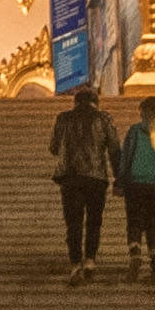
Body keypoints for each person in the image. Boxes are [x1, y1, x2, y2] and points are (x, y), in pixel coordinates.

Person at [48, 80, 115, 279]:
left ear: (75, 102)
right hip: (96, 177)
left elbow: (53, 148)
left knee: (73, 222)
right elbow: (114, 148)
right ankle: (90, 261)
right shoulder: (104, 118)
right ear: (96, 102)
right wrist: (119, 176)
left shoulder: (63, 118)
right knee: (94, 221)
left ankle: (75, 263)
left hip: (70, 178)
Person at [117, 101, 155, 275]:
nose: (140, 116)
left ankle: (135, 253)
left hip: (136, 182)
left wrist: (120, 180)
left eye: (141, 112)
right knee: (153, 224)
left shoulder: (135, 131)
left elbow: (126, 157)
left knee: (134, 220)